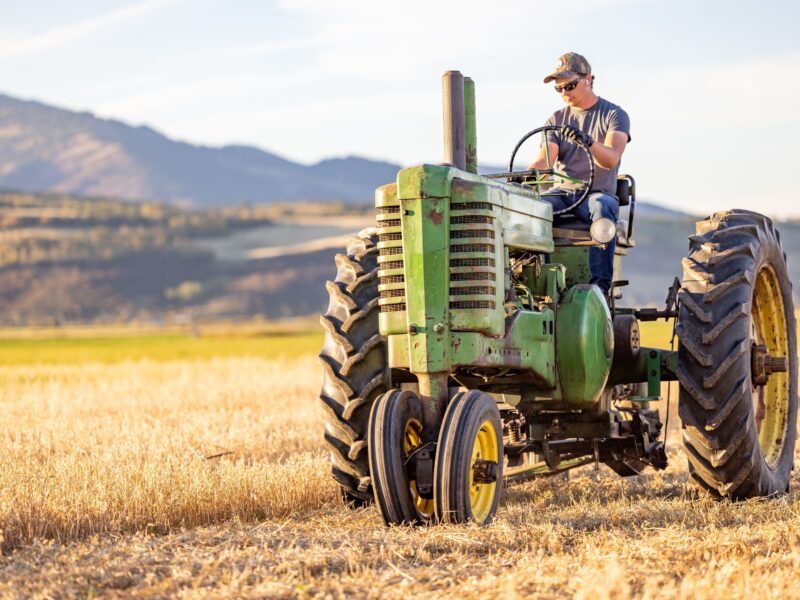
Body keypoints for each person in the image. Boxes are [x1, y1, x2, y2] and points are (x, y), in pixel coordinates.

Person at [529, 52, 631, 295]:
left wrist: (588, 142)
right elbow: (545, 160)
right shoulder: (556, 119)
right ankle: (537, 283)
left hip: (596, 194)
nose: (565, 93)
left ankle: (599, 288)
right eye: (559, 89)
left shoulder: (614, 115)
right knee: (533, 209)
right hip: (563, 194)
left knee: (603, 208)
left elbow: (611, 159)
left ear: (588, 79)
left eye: (570, 85)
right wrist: (529, 175)